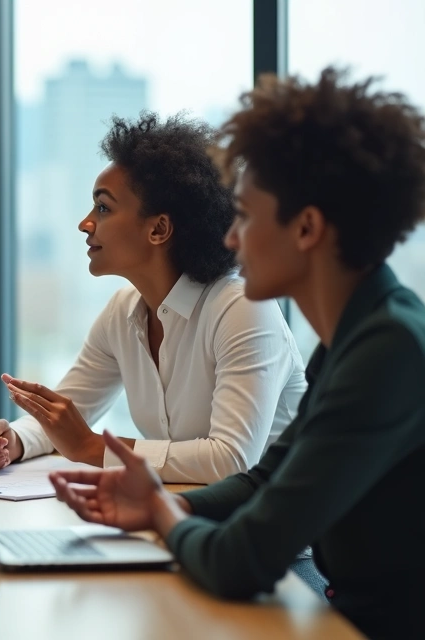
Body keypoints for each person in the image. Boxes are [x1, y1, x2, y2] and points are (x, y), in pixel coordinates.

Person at [49, 68, 425, 640]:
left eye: (245, 216)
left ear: (306, 228)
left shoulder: (389, 351)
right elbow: (262, 481)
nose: (229, 238)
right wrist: (155, 499)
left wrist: (164, 516)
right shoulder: (358, 335)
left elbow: (241, 559)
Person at [0, 113, 307, 484]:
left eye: (103, 208)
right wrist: (11, 441)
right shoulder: (124, 311)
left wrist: (92, 448)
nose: (85, 223)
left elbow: (231, 458)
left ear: (158, 229)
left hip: (272, 536)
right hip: (187, 518)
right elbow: (67, 415)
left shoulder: (241, 309)